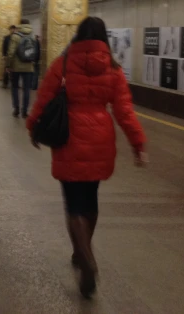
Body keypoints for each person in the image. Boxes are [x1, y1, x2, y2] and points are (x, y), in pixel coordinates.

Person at [26, 17, 147, 299]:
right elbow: (124, 110)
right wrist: (138, 143)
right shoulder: (114, 69)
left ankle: (86, 258)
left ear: (78, 35)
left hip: (69, 135)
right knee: (90, 200)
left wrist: (32, 125)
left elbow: (44, 99)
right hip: (100, 137)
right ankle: (82, 251)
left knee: (73, 203)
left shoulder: (64, 64)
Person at [6, 18, 35, 118]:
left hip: (16, 67)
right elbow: (36, 52)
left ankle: (16, 108)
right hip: (29, 67)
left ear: (20, 25)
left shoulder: (15, 36)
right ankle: (25, 110)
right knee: (26, 89)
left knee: (15, 88)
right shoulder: (33, 37)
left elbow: (10, 53)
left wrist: (8, 65)